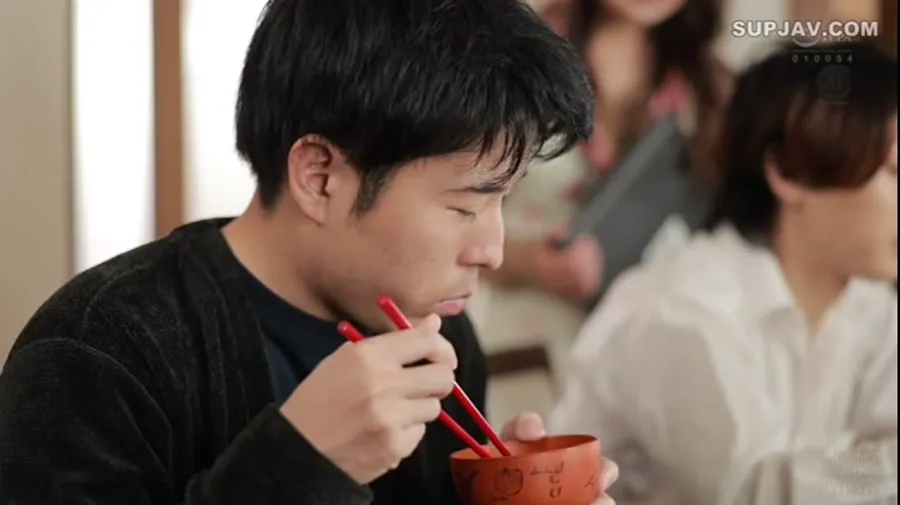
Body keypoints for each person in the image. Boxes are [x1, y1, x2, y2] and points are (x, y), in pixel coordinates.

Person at [0, 0, 618, 503]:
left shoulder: (439, 340)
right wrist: (304, 462)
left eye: (505, 200)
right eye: (464, 207)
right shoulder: (100, 349)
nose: (493, 250)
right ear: (319, 178)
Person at [550, 41, 897, 505]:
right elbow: (748, 492)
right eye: (895, 171)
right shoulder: (684, 309)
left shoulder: (870, 302)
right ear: (788, 173)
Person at [471, 0, 729, 406]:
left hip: (642, 361)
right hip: (521, 349)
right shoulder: (514, 51)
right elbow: (438, 209)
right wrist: (530, 261)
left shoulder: (705, 83)